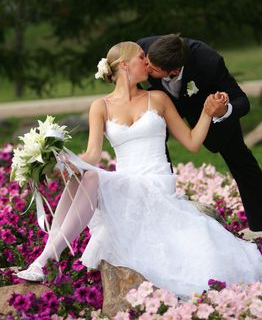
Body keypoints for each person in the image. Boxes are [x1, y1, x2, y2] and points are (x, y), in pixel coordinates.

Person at [17, 41, 262, 296]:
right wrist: (60, 160)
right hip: (125, 182)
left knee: (89, 178)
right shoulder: (100, 106)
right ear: (124, 65)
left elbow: (191, 143)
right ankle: (45, 260)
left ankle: (44, 260)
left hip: (156, 182)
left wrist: (208, 113)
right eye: (142, 57)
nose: (147, 62)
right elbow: (91, 155)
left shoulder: (158, 98)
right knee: (85, 176)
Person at [137, 34, 262, 232]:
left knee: (239, 157)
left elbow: (242, 101)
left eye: (153, 69)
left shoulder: (208, 61)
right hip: (160, 105)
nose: (146, 67)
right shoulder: (143, 50)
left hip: (205, 108)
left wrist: (223, 110)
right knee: (154, 148)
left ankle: (260, 223)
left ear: (174, 71)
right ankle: (164, 212)